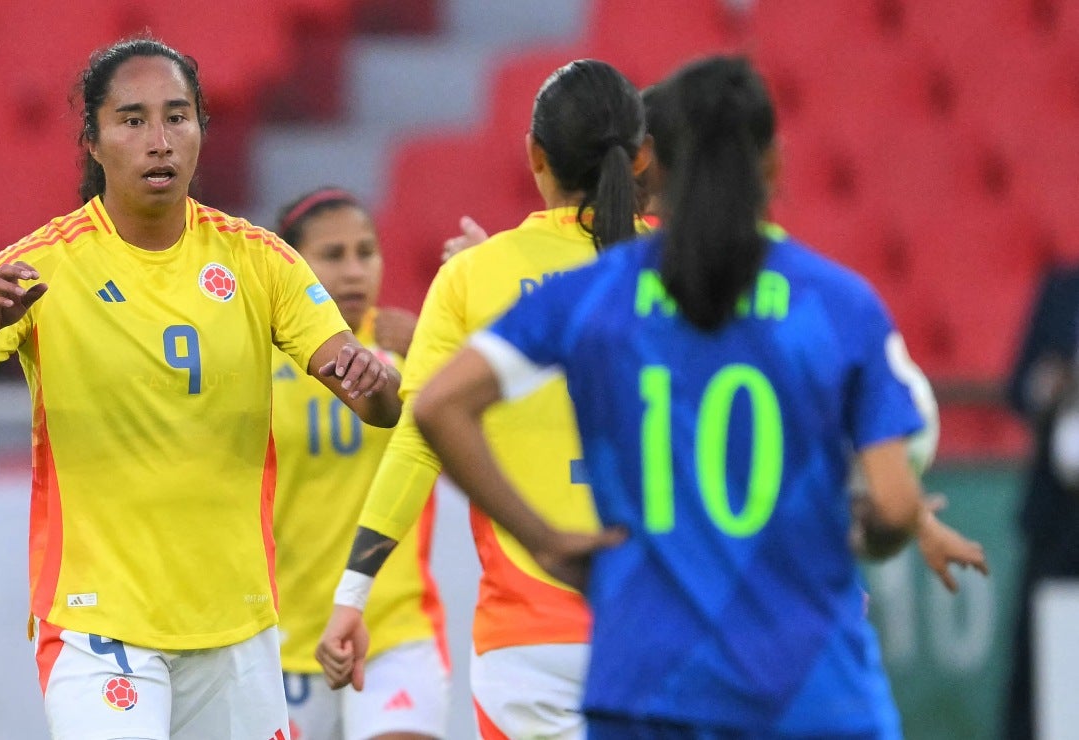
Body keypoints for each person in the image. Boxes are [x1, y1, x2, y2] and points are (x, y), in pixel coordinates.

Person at [411, 55, 987, 737]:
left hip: (648, 668)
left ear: (649, 161)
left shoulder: (596, 296)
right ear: (774, 164)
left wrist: (544, 541)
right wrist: (884, 528)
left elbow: (437, 405)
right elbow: (889, 501)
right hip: (800, 669)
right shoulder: (833, 303)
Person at [0, 36, 400, 740]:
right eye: (133, 120)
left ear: (200, 130)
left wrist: (372, 380)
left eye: (177, 116)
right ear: (93, 141)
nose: (159, 140)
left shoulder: (259, 260)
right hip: (99, 625)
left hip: (236, 621)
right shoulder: (41, 264)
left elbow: (374, 403)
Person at [316, 58, 651, 740]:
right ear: (640, 157)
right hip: (668, 628)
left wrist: (353, 594)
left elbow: (416, 441)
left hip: (529, 645)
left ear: (536, 155)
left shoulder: (475, 277)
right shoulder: (689, 272)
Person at [269, 187, 448, 740]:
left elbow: (498, 435)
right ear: (290, 264)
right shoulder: (255, 360)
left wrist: (436, 354)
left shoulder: (414, 352)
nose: (353, 271)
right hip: (283, 642)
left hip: (396, 626)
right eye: (333, 254)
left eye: (365, 252)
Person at [1002, 263, 1079, 739]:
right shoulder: (1060, 292)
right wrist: (1045, 385)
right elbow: (1018, 387)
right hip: (1058, 516)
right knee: (1037, 663)